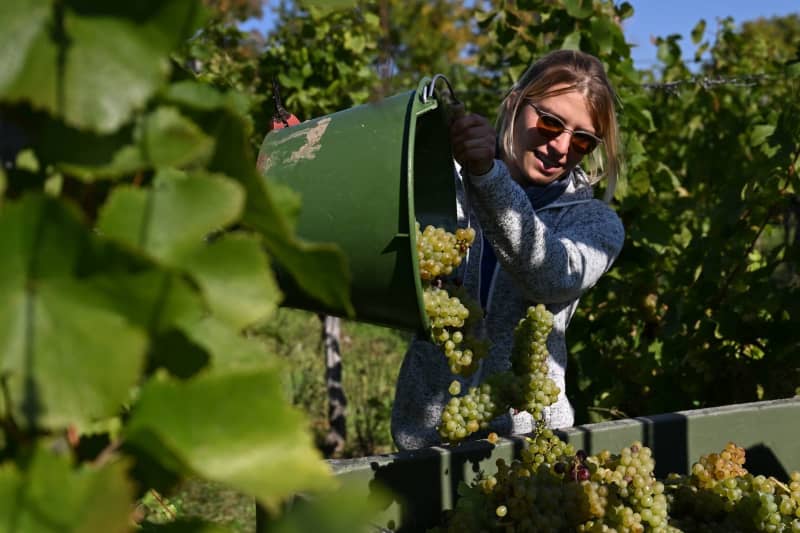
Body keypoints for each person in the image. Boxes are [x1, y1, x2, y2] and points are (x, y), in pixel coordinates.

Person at [391, 49, 625, 451]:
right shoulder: (438, 187)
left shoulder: (595, 225)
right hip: (423, 433)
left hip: (528, 442)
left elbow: (550, 276)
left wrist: (487, 176)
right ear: (515, 103)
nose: (561, 147)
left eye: (583, 140)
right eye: (550, 123)